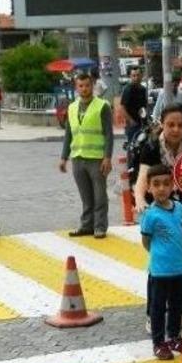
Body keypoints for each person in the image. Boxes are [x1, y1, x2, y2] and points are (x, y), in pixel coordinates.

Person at [134, 104, 182, 334]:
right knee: (159, 267)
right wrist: (140, 199)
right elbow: (142, 178)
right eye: (171, 124)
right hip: (159, 215)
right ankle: (154, 313)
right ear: (162, 124)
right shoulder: (151, 148)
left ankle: (181, 313)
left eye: (180, 125)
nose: (176, 129)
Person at [140, 164, 182, 360]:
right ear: (149, 188)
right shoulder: (150, 214)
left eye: (166, 184)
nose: (161, 188)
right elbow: (146, 241)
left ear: (173, 187)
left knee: (177, 306)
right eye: (156, 184)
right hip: (160, 271)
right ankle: (158, 342)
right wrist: (159, 256)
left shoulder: (180, 208)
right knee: (158, 308)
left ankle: (175, 337)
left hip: (180, 268)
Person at [59, 73, 114, 239]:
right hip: (78, 158)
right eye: (80, 86)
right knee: (86, 196)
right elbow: (69, 134)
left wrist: (107, 157)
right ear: (76, 87)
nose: (84, 89)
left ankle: (99, 227)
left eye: (87, 85)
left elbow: (108, 134)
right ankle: (86, 225)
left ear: (93, 86)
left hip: (97, 159)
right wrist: (64, 157)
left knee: (99, 195)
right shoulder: (72, 107)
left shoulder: (102, 106)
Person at [120, 66, 147, 144]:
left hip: (142, 123)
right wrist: (131, 121)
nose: (136, 78)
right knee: (132, 147)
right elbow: (122, 107)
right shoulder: (128, 89)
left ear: (141, 76)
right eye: (134, 76)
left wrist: (146, 120)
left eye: (138, 75)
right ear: (130, 77)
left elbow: (143, 107)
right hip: (132, 125)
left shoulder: (143, 89)